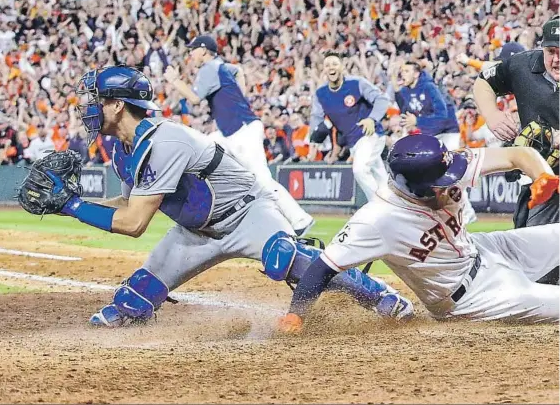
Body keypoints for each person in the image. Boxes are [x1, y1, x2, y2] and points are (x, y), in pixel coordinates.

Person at [35, 65, 413, 327]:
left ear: (118, 104)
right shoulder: (122, 148)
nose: (88, 107)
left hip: (246, 214)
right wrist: (75, 202)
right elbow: (127, 205)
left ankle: (380, 296)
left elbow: (134, 224)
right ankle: (139, 313)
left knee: (286, 259)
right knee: (132, 302)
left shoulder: (163, 141)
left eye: (96, 99)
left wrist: (72, 206)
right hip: (194, 231)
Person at [277, 134, 560, 332]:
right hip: (472, 296)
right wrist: (294, 317)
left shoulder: (444, 164)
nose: (452, 180)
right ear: (413, 186)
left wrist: (542, 174)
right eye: (440, 182)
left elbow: (517, 154)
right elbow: (321, 269)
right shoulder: (376, 220)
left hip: (486, 249)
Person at [165, 35, 314, 235]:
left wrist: (174, 80)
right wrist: (239, 95)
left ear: (204, 50)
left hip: (242, 131)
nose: (191, 53)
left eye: (193, 49)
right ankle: (217, 214)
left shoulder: (209, 68)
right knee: (204, 151)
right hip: (230, 132)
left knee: (262, 180)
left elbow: (194, 98)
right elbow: (239, 71)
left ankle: (299, 219)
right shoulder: (221, 66)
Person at [473, 15, 559, 283]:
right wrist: (492, 114)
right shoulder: (522, 65)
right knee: (537, 261)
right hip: (546, 177)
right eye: (551, 52)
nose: (556, 59)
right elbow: (483, 80)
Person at [394, 61, 478, 224]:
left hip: (448, 132)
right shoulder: (405, 91)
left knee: (453, 173)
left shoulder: (429, 87)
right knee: (428, 175)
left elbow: (443, 114)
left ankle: (467, 212)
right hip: (431, 134)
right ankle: (431, 211)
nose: (402, 73)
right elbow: (407, 114)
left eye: (406, 70)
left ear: (416, 74)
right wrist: (406, 127)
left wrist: (417, 121)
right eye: (402, 70)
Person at [309, 51, 389, 201]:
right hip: (353, 143)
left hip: (370, 135)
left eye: (334, 64)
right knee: (381, 179)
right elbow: (316, 120)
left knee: (360, 170)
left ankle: (378, 206)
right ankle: (395, 208)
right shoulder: (321, 94)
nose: (331, 67)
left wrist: (372, 119)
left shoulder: (356, 83)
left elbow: (382, 100)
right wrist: (313, 141)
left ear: (342, 67)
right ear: (324, 70)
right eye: (327, 65)